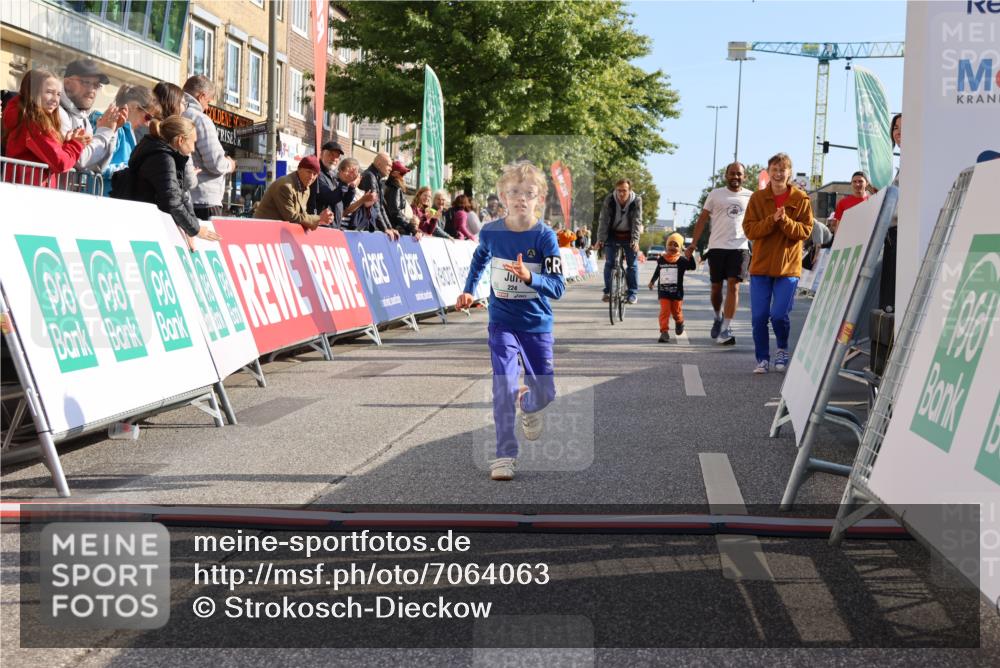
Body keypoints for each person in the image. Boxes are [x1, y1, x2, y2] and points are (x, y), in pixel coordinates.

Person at [456, 161, 565, 481]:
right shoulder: (491, 232)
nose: (521, 199)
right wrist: (467, 290)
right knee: (503, 383)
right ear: (503, 196)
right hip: (501, 320)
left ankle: (530, 405)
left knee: (545, 392)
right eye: (514, 192)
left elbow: (557, 287)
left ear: (539, 199)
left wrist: (531, 276)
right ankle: (505, 454)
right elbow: (479, 261)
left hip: (536, 323)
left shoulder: (545, 237)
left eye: (528, 194)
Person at [742, 153, 814, 374]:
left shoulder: (801, 199)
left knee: (779, 315)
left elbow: (805, 231)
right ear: (768, 172)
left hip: (787, 268)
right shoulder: (757, 198)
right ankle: (762, 358)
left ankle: (782, 348)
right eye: (774, 169)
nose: (778, 173)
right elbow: (750, 230)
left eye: (783, 169)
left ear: (789, 173)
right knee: (759, 317)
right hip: (761, 267)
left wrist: (785, 221)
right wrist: (772, 220)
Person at [126, 115, 222, 243]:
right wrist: (196, 229)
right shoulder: (164, 158)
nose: (193, 149)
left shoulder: (164, 154)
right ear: (181, 140)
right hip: (146, 228)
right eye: (193, 142)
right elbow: (173, 202)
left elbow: (181, 195)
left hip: (148, 223)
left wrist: (191, 228)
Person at [687, 162, 752, 346]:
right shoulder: (715, 194)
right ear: (726, 175)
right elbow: (702, 220)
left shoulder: (751, 196)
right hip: (716, 247)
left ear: (744, 177)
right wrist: (693, 244)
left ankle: (726, 328)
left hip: (740, 247)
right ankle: (718, 316)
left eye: (739, 174)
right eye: (732, 173)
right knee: (716, 288)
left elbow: (757, 222)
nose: (735, 177)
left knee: (734, 286)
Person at [2, 69, 86, 187]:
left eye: (58, 94)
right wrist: (75, 145)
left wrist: (65, 144)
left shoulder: (28, 120)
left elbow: (46, 153)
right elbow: (60, 163)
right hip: (29, 194)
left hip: (26, 191)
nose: (55, 100)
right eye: (49, 92)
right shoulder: (34, 123)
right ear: (33, 92)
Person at [182, 75, 236, 220]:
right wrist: (230, 164)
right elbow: (216, 163)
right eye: (208, 102)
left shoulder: (175, 114)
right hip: (204, 199)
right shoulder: (200, 119)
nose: (207, 108)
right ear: (201, 96)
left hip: (183, 198)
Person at [90, 85, 160, 196]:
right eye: (147, 117)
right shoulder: (114, 128)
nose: (147, 124)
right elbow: (97, 166)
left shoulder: (127, 132)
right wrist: (134, 169)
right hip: (101, 198)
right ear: (133, 106)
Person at [60, 59, 126, 173]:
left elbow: (98, 167)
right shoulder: (57, 112)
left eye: (96, 85)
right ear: (67, 83)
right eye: (86, 82)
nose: (92, 90)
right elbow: (79, 159)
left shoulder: (85, 120)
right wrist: (105, 131)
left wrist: (112, 131)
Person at [254, 155, 333, 230]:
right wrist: (319, 218)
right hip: (262, 231)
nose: (311, 177)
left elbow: (302, 215)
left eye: (315, 174)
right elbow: (291, 217)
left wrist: (320, 219)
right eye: (308, 172)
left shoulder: (306, 188)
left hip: (278, 232)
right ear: (299, 169)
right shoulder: (285, 186)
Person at [596, 179, 642, 304]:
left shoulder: (636, 200)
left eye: (624, 190)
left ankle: (632, 293)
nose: (621, 193)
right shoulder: (610, 200)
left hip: (629, 236)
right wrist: (600, 239)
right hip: (612, 234)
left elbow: (637, 221)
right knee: (609, 263)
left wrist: (635, 240)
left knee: (632, 265)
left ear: (630, 190)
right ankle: (608, 291)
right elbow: (603, 220)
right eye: (619, 190)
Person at [648, 233, 697, 343]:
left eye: (676, 245)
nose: (672, 247)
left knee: (676, 312)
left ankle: (679, 322)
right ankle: (664, 332)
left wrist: (690, 255)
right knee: (664, 311)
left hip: (677, 293)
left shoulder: (682, 261)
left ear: (679, 248)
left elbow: (692, 267)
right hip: (664, 292)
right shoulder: (661, 259)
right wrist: (652, 281)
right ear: (666, 246)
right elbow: (658, 271)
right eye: (670, 244)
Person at [354, 151, 398, 239]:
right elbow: (375, 206)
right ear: (378, 164)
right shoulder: (370, 177)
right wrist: (385, 228)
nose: (390, 169)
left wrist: (389, 227)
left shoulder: (377, 178)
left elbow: (381, 207)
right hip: (362, 226)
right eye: (388, 165)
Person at [382, 160, 421, 237]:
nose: (403, 177)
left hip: (392, 228)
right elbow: (395, 212)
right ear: (394, 174)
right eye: (402, 174)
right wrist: (412, 229)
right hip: (395, 230)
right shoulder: (395, 187)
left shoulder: (390, 186)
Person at [307, 140, 344, 215]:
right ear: (321, 155)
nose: (334, 159)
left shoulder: (334, 175)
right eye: (331, 154)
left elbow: (343, 203)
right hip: (319, 222)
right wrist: (345, 183)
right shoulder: (316, 173)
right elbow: (328, 198)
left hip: (332, 224)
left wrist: (351, 188)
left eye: (337, 156)